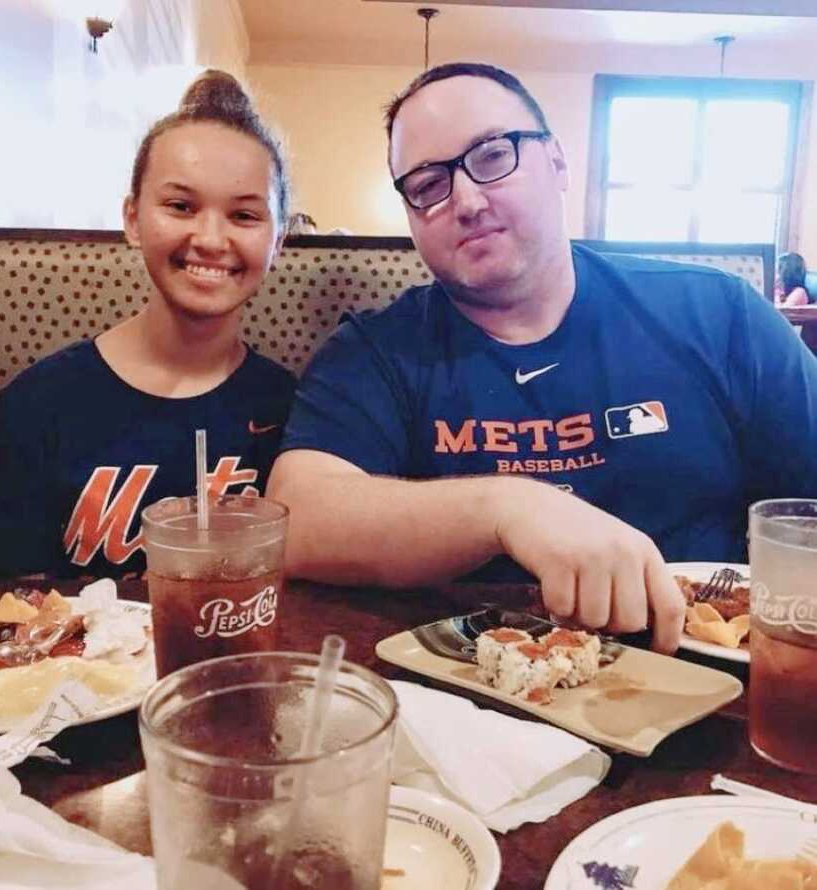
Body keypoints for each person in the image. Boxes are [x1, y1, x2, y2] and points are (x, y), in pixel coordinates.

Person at [267, 62, 817, 654]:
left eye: (492, 155)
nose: (468, 201)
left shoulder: (717, 314)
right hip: (464, 695)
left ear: (556, 161)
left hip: (719, 687)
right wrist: (507, 506)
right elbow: (297, 518)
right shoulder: (376, 350)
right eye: (428, 186)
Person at [0, 70, 296, 578]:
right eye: (180, 206)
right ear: (133, 218)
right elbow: (16, 603)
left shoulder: (293, 409)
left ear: (277, 241)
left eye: (244, 216)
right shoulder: (38, 403)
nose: (211, 239)